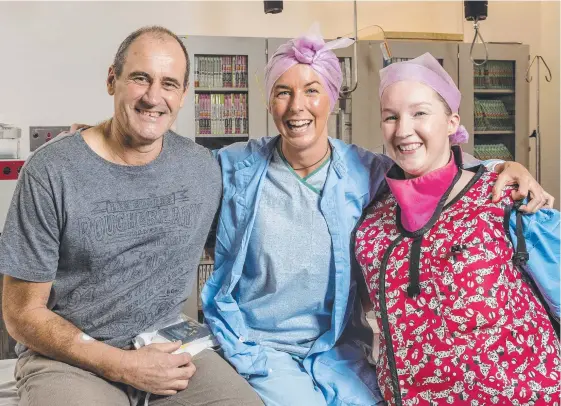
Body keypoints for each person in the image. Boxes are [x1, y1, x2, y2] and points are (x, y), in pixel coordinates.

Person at [201, 29, 550, 406]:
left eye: (312, 90)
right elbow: (179, 176)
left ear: (332, 99)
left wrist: (504, 167)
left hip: (337, 348)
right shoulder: (237, 166)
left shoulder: (364, 170)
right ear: (269, 102)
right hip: (264, 345)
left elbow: (439, 169)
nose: (296, 106)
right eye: (283, 92)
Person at [0, 26, 263, 406]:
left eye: (169, 84)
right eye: (140, 78)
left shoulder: (200, 169)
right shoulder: (52, 172)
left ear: (184, 94)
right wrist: (122, 365)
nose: (153, 97)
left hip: (165, 344)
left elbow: (245, 242)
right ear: (113, 80)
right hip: (71, 356)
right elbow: (21, 314)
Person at [354, 53, 560, 405]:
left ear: (452, 122)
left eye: (420, 112)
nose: (403, 130)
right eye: (391, 117)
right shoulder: (371, 226)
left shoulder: (506, 199)